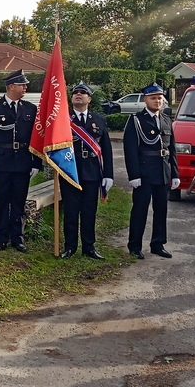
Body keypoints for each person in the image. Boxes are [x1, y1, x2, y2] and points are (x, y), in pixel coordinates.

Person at [0, 69, 42, 252]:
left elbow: (36, 137)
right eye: (22, 84)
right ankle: (1, 237)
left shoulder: (30, 108)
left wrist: (36, 162)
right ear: (11, 86)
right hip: (0, 161)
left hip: (22, 161)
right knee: (0, 201)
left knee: (18, 201)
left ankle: (18, 238)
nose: (25, 87)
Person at [123, 83, 178, 260]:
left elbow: (172, 149)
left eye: (160, 98)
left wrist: (175, 174)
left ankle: (158, 244)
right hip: (144, 173)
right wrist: (134, 175)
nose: (157, 101)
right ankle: (135, 245)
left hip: (163, 171)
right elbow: (130, 149)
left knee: (161, 209)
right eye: (153, 98)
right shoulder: (136, 120)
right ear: (145, 99)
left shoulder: (167, 120)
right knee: (140, 210)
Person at [60, 83, 114, 260]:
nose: (78, 95)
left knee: (89, 211)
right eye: (75, 92)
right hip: (70, 171)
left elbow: (106, 149)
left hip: (92, 172)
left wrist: (108, 174)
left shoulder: (98, 120)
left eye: (83, 93)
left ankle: (89, 247)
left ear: (89, 99)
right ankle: (70, 247)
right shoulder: (63, 120)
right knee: (70, 211)